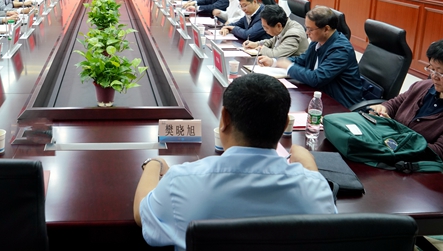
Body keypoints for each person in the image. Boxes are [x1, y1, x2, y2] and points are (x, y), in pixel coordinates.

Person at [134, 74, 336, 250]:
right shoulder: (315, 188)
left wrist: (154, 163)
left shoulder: (181, 182)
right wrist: (309, 166)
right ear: (285, 125)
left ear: (224, 118)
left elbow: (141, 214)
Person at [370, 36, 443, 164]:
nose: (433, 76)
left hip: (415, 167)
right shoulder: (423, 86)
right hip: (389, 150)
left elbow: (438, 154)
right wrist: (383, 108)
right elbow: (395, 103)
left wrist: (392, 133)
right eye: (431, 69)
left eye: (440, 73)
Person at [258, 6, 363, 108]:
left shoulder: (341, 50)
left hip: (340, 104)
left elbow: (317, 78)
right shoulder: (317, 41)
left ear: (326, 29)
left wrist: (289, 67)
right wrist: (274, 62)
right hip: (319, 95)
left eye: (310, 29)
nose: (307, 33)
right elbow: (302, 60)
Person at [244, 4, 309, 57]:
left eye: (266, 27)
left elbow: (276, 55)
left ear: (278, 26)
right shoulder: (283, 26)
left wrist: (261, 49)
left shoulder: (293, 34)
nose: (264, 30)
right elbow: (272, 41)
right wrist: (257, 44)